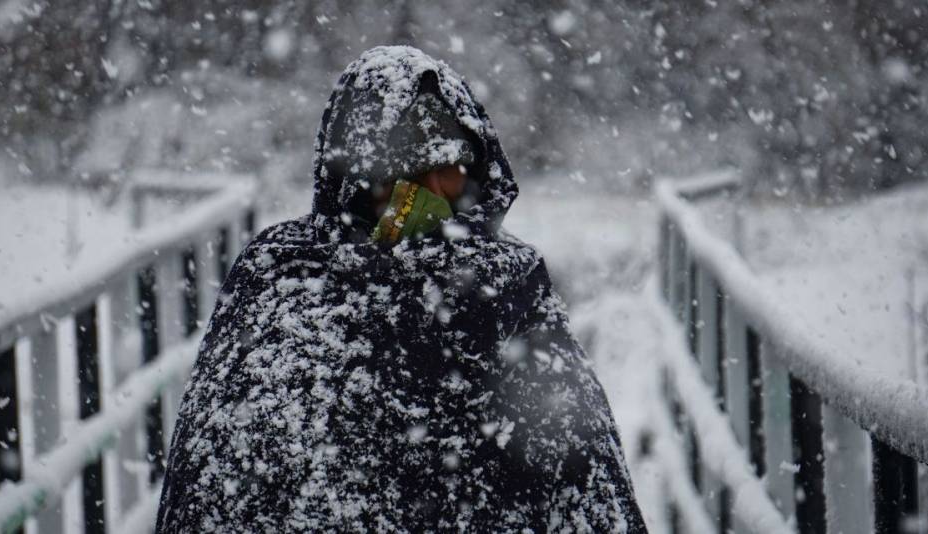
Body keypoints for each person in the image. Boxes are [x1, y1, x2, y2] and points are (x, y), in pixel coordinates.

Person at [156, 46, 647, 533]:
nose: (430, 192)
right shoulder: (280, 279)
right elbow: (213, 480)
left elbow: (586, 484)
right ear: (356, 181)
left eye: (450, 168)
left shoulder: (512, 292)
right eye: (405, 172)